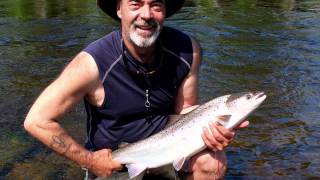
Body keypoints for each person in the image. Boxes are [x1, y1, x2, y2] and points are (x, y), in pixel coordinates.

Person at [24, 0, 249, 179]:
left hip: (169, 151)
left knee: (213, 161)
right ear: (119, 10)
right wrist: (89, 160)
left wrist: (212, 131)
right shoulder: (91, 64)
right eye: (135, 3)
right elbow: (36, 121)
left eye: (155, 5)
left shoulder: (188, 51)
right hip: (113, 163)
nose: (146, 14)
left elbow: (186, 112)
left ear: (164, 10)